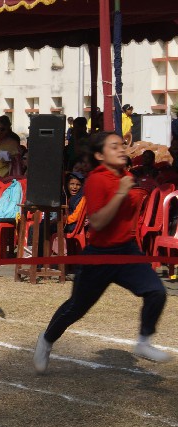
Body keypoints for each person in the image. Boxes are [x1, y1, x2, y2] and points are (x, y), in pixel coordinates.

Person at [34, 132, 171, 372]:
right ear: (100, 155)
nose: (121, 150)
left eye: (122, 146)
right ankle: (46, 340)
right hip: (100, 254)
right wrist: (120, 192)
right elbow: (97, 222)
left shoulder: (127, 176)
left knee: (156, 292)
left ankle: (144, 341)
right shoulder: (96, 180)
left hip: (127, 251)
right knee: (76, 307)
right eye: (114, 146)